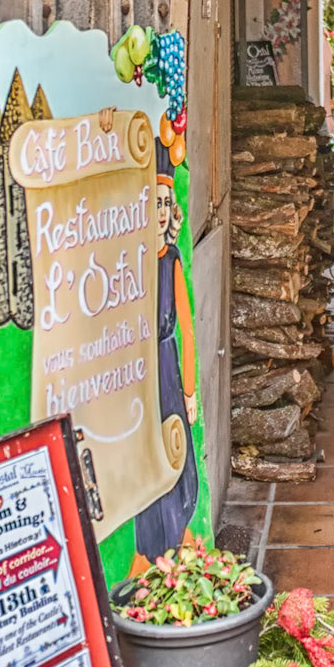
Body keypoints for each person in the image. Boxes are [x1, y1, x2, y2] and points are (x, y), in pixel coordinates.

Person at [131, 143, 200, 560]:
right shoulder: (134, 261)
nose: (160, 210)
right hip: (140, 374)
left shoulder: (170, 260)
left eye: (165, 202)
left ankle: (177, 535)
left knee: (174, 453)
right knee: (146, 453)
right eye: (152, 202)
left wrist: (189, 390)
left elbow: (187, 331)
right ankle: (150, 545)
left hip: (168, 370)